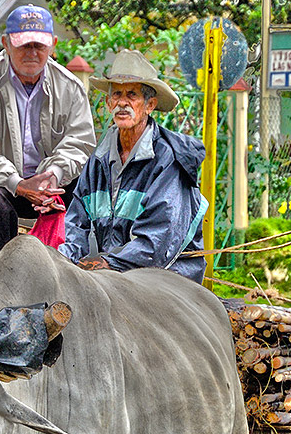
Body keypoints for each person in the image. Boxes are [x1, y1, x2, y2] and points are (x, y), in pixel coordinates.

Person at [0, 5, 96, 266]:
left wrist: (54, 175)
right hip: (0, 185)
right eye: (23, 44)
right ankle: (4, 278)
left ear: (53, 45)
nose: (32, 52)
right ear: (6, 43)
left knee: (87, 192)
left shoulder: (70, 88)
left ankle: (71, 273)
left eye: (39, 46)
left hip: (51, 187)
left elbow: (80, 143)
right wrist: (16, 182)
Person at [58, 50, 208, 283]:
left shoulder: (167, 160)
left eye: (132, 95)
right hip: (114, 274)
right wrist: (63, 260)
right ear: (108, 104)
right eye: (116, 94)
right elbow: (76, 225)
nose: (122, 103)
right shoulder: (98, 160)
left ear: (150, 106)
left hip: (168, 276)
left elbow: (158, 242)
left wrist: (110, 263)